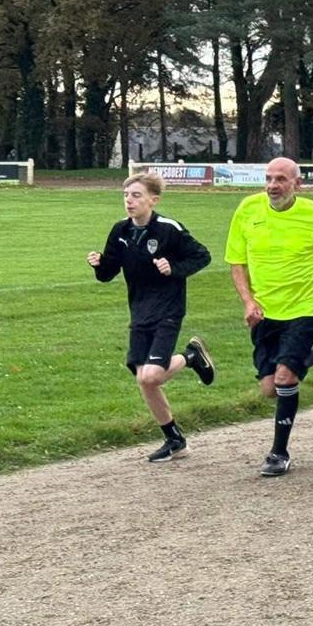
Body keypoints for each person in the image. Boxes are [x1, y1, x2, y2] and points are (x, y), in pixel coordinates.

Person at [87, 172, 215, 463]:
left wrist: (174, 268)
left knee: (152, 375)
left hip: (168, 309)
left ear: (153, 200)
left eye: (136, 195)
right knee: (143, 380)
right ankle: (175, 440)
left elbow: (202, 256)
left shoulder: (169, 229)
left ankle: (191, 357)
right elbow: (108, 273)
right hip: (139, 311)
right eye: (126, 195)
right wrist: (98, 264)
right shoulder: (120, 231)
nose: (129, 201)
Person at [225, 157, 313, 478]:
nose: (272, 185)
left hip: (304, 309)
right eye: (268, 178)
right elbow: (236, 262)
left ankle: (279, 453)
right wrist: (248, 301)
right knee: (269, 389)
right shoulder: (248, 209)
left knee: (285, 378)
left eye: (280, 179)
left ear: (297, 184)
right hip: (264, 312)